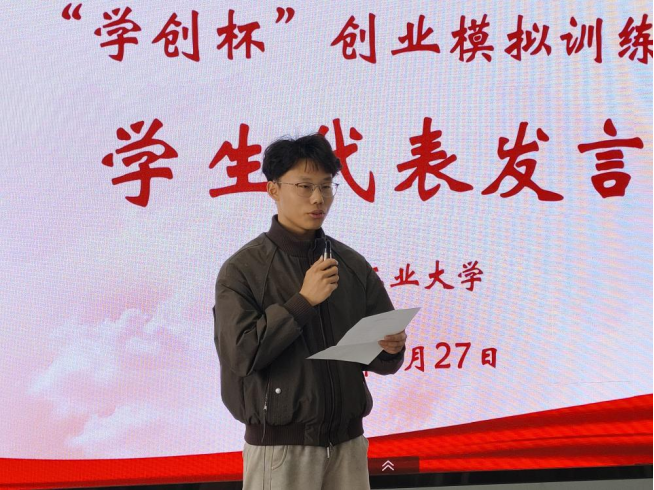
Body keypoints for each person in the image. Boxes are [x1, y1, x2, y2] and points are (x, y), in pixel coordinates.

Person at [213, 132, 407, 490]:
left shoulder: (351, 264)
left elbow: (382, 359)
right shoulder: (242, 269)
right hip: (279, 450)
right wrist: (303, 302)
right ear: (273, 190)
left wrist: (390, 348)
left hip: (348, 446)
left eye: (326, 186)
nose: (318, 198)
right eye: (304, 186)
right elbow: (240, 355)